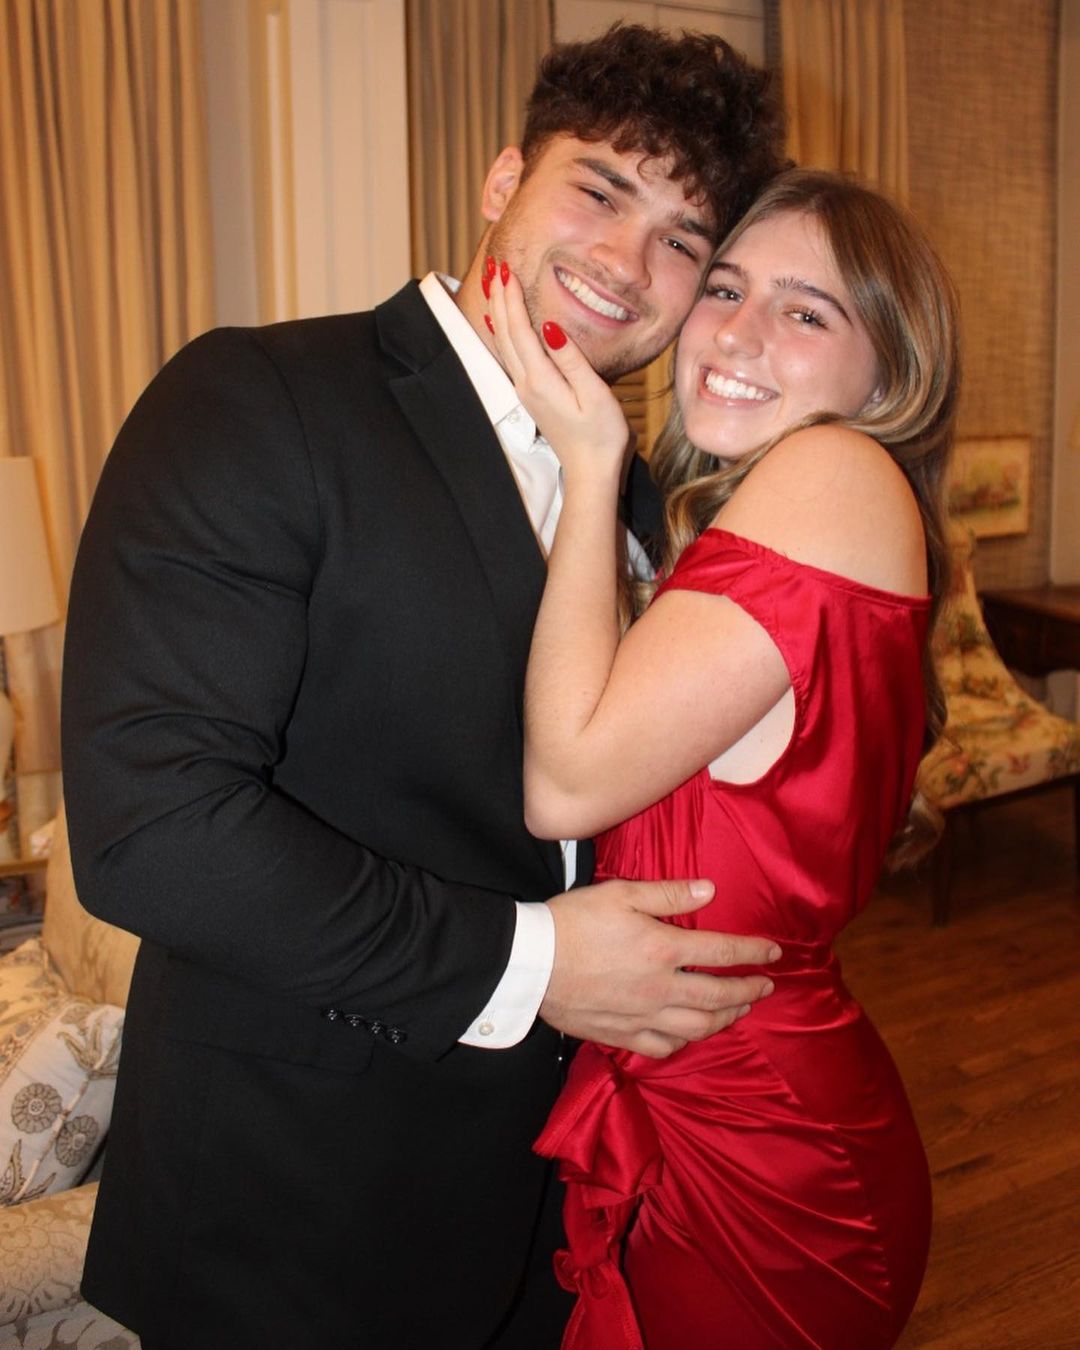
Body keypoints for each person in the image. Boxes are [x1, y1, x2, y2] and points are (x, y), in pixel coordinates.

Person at [60, 25, 788, 1350]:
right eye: (600, 190)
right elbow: (150, 828)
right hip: (295, 1214)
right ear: (504, 178)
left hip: (555, 1210)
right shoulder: (263, 397)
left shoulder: (633, 487)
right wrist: (535, 961)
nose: (629, 264)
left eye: (684, 239)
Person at [485, 167, 960, 1348]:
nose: (738, 334)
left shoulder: (834, 472)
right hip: (735, 1104)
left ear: (888, 374)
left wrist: (589, 464)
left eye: (807, 312)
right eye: (728, 287)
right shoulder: (783, 506)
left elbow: (567, 782)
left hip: (762, 1154)